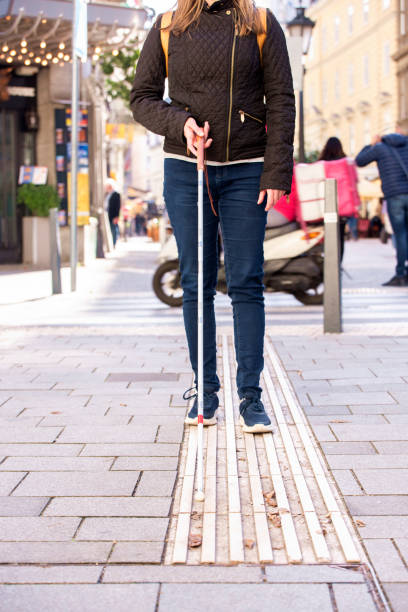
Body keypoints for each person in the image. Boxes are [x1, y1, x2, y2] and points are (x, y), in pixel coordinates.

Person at [130, 0, 295, 433]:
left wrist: (276, 170)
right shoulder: (168, 26)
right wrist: (180, 121)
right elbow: (142, 98)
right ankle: (204, 392)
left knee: (246, 281)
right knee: (194, 284)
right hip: (187, 170)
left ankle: (251, 398)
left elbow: (281, 100)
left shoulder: (259, 24)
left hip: (247, 169)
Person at [356, 133, 408, 286]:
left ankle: (400, 274)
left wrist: (370, 144)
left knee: (400, 235)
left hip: (394, 196)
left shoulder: (380, 147)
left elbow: (359, 161)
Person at [318, 137, 359, 262]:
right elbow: (354, 181)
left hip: (324, 206)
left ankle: (328, 264)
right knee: (340, 237)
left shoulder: (321, 163)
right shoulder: (346, 163)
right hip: (343, 206)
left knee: (327, 236)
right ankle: (337, 266)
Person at [105, 179, 121, 247]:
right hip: (108, 215)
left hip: (113, 215)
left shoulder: (116, 194)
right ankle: (112, 243)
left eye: (108, 186)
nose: (106, 188)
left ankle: (114, 243)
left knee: (114, 229)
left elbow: (117, 206)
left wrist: (116, 216)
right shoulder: (107, 194)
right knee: (111, 229)